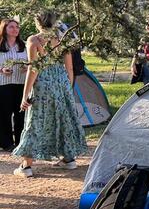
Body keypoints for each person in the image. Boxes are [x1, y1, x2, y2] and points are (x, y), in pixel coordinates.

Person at [12, 11, 87, 178]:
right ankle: (69, 159)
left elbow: (34, 68)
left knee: (37, 119)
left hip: (43, 82)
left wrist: (25, 95)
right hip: (61, 81)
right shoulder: (63, 38)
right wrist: (68, 88)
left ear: (37, 22)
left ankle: (26, 166)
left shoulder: (34, 40)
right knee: (63, 117)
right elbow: (70, 68)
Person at [0, 19, 28, 151]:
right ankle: (6, 143)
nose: (15, 29)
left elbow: (32, 62)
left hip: (21, 83)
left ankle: (20, 142)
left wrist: (26, 68)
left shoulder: (24, 46)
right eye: (11, 27)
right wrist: (1, 70)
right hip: (3, 84)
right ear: (4, 29)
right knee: (4, 114)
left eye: (17, 27)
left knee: (20, 114)